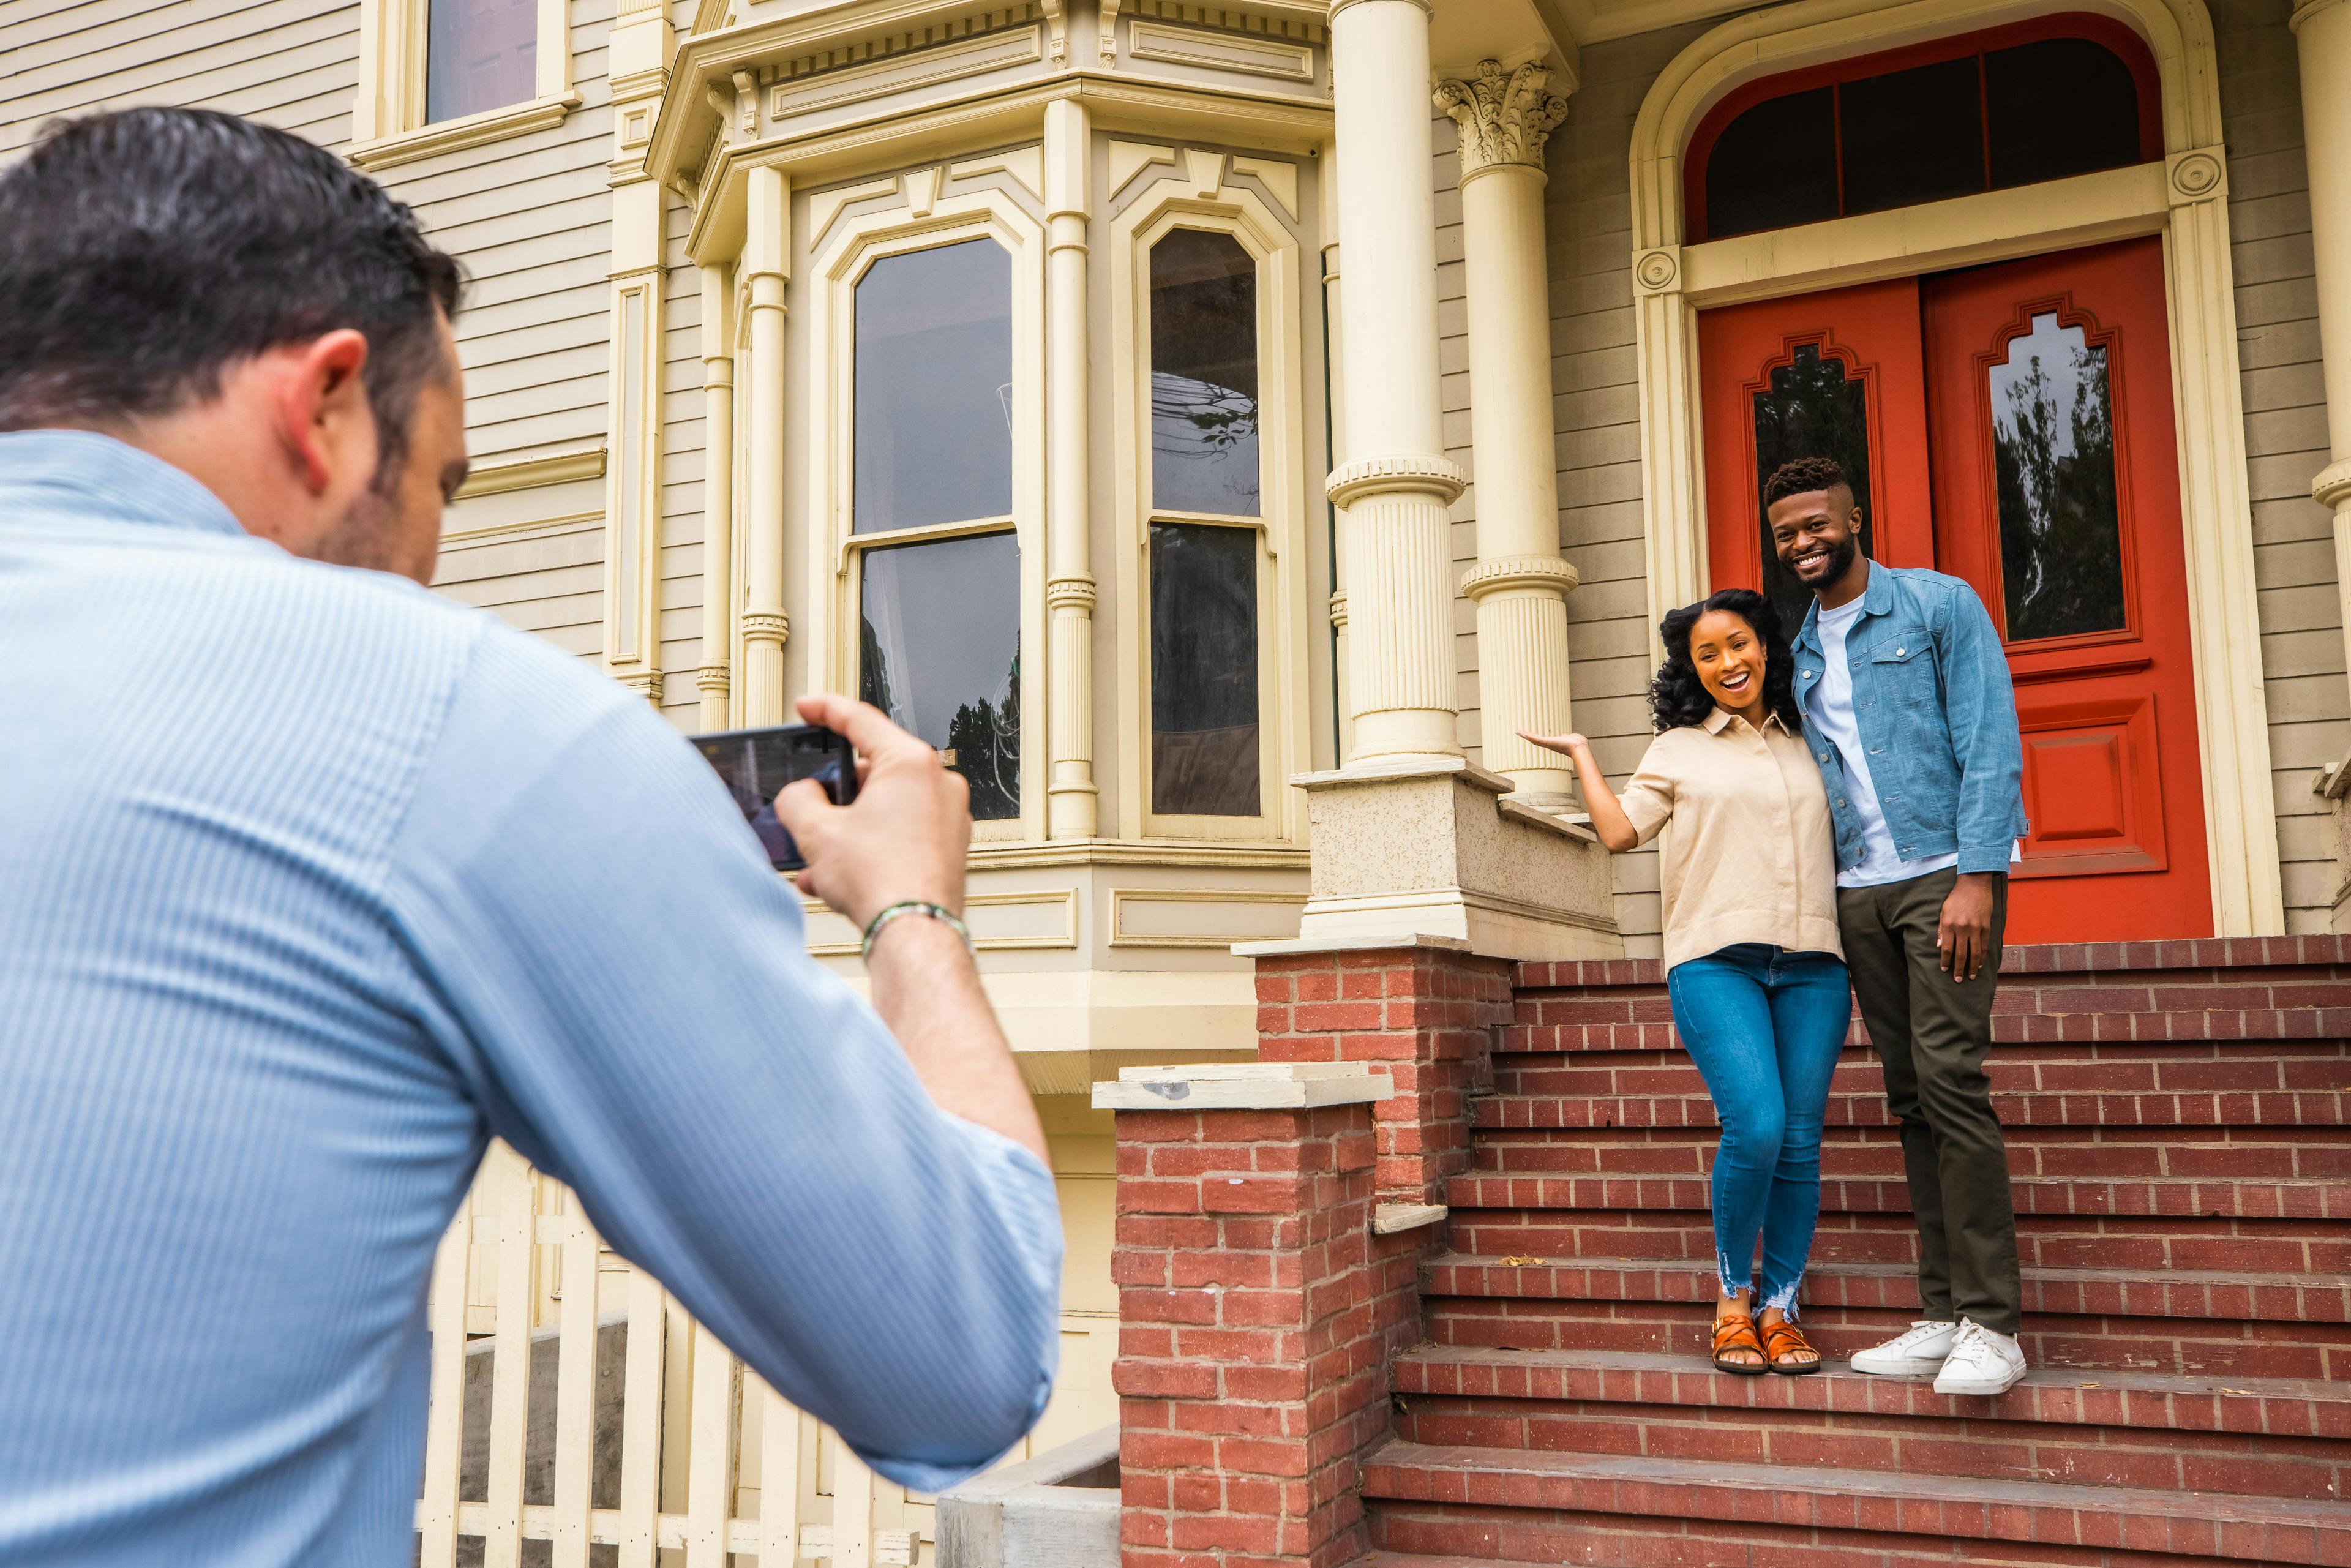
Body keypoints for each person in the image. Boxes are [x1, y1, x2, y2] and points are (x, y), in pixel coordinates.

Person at [0, 107, 1060, 1564]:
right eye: (439, 481)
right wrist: (912, 917)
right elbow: (965, 1345)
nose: (436, 550)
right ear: (324, 405)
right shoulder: (458, 722)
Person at [1523, 589, 1848, 1377]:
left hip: (1814, 962)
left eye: (1738, 644)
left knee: (1800, 1145)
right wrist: (1582, 758)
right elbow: (1618, 831)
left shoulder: (1819, 737)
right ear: (1692, 669)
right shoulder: (1677, 748)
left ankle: (1782, 1307)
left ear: (1766, 645)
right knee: (1759, 1125)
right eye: (1707, 654)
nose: (1728, 663)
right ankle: (1733, 1298)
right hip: (1715, 960)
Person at [1764, 454, 2030, 1398]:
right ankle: (1945, 1311)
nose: (1802, 542)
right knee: (1911, 1091)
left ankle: (1995, 1325)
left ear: (1854, 517)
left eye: (1816, 524)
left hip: (1938, 877)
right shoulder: (1794, 650)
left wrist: (1978, 874)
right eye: (1787, 531)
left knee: (1953, 1080)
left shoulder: (1935, 605)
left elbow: (1991, 734)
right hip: (1858, 893)